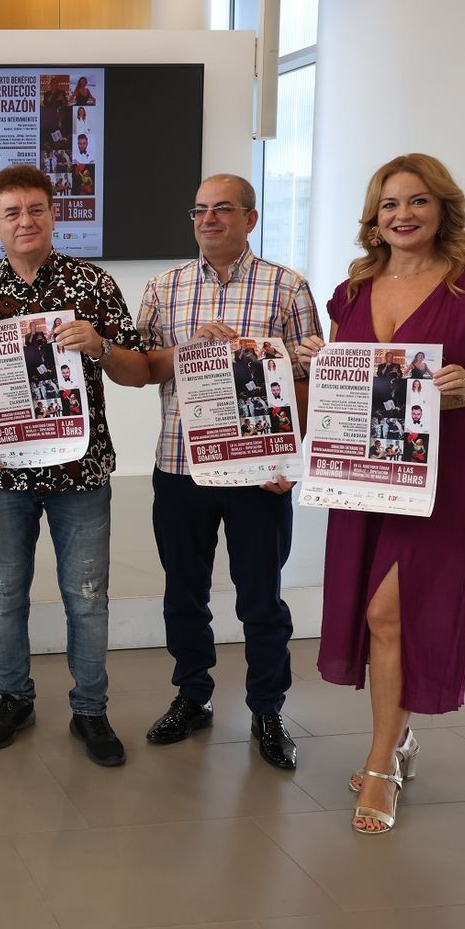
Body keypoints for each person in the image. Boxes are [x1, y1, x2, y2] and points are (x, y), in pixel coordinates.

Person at [297, 153, 465, 833]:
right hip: (366, 469)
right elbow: (350, 380)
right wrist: (319, 362)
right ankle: (396, 737)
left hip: (446, 465)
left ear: (442, 208)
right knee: (375, 612)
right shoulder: (353, 289)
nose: (403, 214)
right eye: (390, 203)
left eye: (417, 201)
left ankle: (381, 762)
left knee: (390, 611)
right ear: (374, 217)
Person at [0, 164, 149, 766]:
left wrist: (102, 346)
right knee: (4, 593)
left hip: (80, 471)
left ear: (54, 214)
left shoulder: (92, 284)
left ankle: (90, 708)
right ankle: (14, 696)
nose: (25, 221)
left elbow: (138, 370)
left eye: (36, 209)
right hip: (4, 471)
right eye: (11, 212)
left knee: (87, 596)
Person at [136, 174, 321, 771]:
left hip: (258, 472)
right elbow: (139, 367)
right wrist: (188, 346)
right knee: (183, 592)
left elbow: (309, 375)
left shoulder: (287, 287)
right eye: (199, 210)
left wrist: (292, 459)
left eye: (222, 209)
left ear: (251, 217)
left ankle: (268, 709)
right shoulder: (165, 288)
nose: (209, 219)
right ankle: (193, 695)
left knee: (260, 597)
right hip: (181, 463)